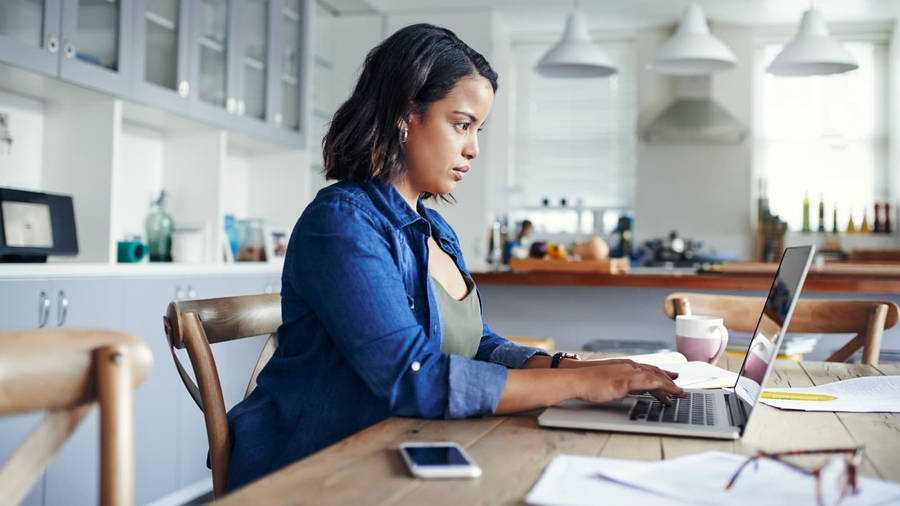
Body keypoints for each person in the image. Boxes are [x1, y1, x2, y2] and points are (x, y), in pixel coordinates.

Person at [225, 23, 683, 490]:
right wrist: (578, 386)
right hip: (315, 468)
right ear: (405, 114)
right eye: (462, 124)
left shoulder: (435, 230)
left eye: (478, 129)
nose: (474, 149)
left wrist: (582, 369)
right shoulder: (342, 223)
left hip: (403, 448)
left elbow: (477, 345)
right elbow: (412, 376)